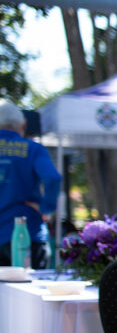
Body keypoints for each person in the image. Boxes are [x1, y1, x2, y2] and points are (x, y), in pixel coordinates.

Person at [0, 99, 62, 269]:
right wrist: (46, 208)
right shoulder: (33, 149)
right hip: (28, 234)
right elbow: (53, 178)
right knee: (33, 285)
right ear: (24, 125)